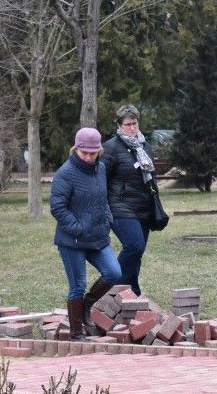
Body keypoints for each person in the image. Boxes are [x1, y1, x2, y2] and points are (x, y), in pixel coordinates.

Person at [50, 127, 122, 340]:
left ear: (99, 150)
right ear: (76, 149)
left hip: (98, 237)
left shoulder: (100, 168)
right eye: (85, 153)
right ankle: (75, 332)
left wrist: (107, 217)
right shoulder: (65, 173)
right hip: (72, 241)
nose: (89, 157)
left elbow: (103, 198)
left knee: (114, 273)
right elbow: (57, 207)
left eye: (93, 153)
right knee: (77, 286)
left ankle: (87, 305)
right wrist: (78, 227)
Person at [103, 104, 156, 296]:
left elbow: (151, 176)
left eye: (135, 123)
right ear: (119, 126)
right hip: (120, 207)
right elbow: (102, 180)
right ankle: (109, 289)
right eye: (128, 124)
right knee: (134, 246)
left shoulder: (145, 146)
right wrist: (105, 208)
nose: (132, 128)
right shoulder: (110, 148)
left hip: (144, 207)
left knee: (137, 253)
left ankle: (132, 292)